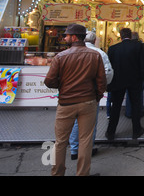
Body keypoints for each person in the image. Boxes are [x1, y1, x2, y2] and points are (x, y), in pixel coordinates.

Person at [44, 24, 107, 176]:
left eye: (66, 35)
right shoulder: (95, 55)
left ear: (74, 37)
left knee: (60, 142)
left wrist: (62, 86)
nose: (64, 38)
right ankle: (82, 173)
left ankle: (58, 172)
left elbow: (49, 81)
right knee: (85, 140)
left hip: (66, 103)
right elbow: (101, 81)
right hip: (88, 102)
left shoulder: (61, 56)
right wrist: (97, 97)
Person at [69, 31, 114, 160]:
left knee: (76, 121)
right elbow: (107, 73)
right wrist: (101, 88)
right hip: (91, 92)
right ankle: (87, 149)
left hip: (73, 92)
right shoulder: (100, 53)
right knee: (90, 121)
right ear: (95, 41)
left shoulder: (70, 52)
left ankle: (74, 149)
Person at [106, 28, 144, 140]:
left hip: (118, 81)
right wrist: (142, 76)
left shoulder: (113, 49)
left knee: (116, 107)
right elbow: (142, 63)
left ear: (120, 36)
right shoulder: (138, 46)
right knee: (135, 105)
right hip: (134, 80)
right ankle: (136, 131)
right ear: (130, 35)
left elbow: (110, 67)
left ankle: (110, 132)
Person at [125, 32, 144, 118]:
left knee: (129, 94)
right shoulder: (142, 46)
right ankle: (139, 112)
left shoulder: (126, 46)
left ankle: (129, 112)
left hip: (128, 73)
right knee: (139, 94)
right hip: (140, 73)